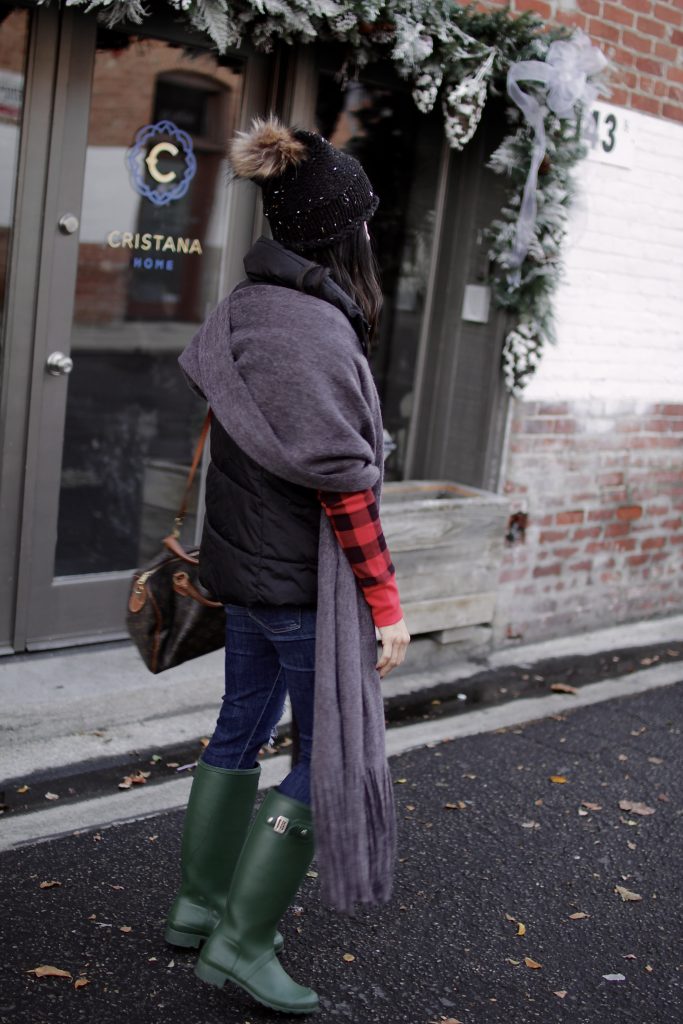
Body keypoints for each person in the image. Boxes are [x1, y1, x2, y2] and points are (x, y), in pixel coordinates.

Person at [164, 116, 410, 1015]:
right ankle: (239, 943)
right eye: (364, 222)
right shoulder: (312, 328)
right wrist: (385, 604)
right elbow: (342, 483)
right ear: (338, 230)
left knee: (238, 728)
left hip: (246, 570)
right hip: (302, 589)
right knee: (325, 756)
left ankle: (196, 906)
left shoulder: (248, 304)